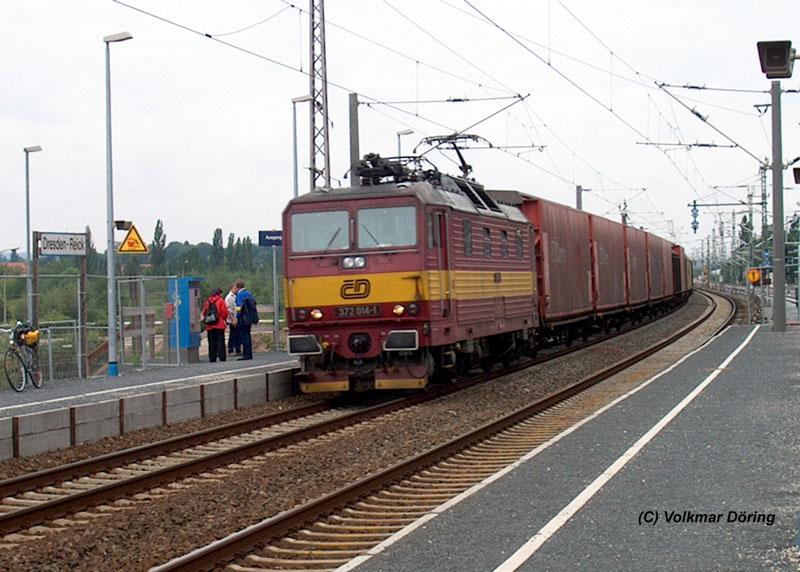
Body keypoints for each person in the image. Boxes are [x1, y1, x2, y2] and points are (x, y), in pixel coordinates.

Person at [202, 288, 228, 362]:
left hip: (210, 325)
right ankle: (222, 357)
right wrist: (222, 319)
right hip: (219, 324)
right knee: (220, 342)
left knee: (211, 342)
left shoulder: (208, 301)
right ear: (219, 293)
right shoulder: (220, 301)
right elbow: (224, 312)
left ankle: (212, 357)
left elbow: (204, 311)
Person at [234, 278, 256, 360]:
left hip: (243, 318)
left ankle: (246, 354)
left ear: (237, 286)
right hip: (249, 318)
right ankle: (249, 353)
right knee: (248, 336)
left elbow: (239, 307)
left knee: (244, 336)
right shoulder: (249, 293)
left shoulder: (240, 294)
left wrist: (237, 316)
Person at [225, 283, 241, 355]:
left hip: (237, 318)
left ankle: (238, 349)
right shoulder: (229, 297)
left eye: (237, 288)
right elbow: (228, 310)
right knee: (232, 335)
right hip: (232, 319)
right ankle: (231, 349)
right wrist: (233, 320)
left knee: (238, 334)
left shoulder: (237, 296)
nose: (236, 289)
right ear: (231, 288)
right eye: (235, 288)